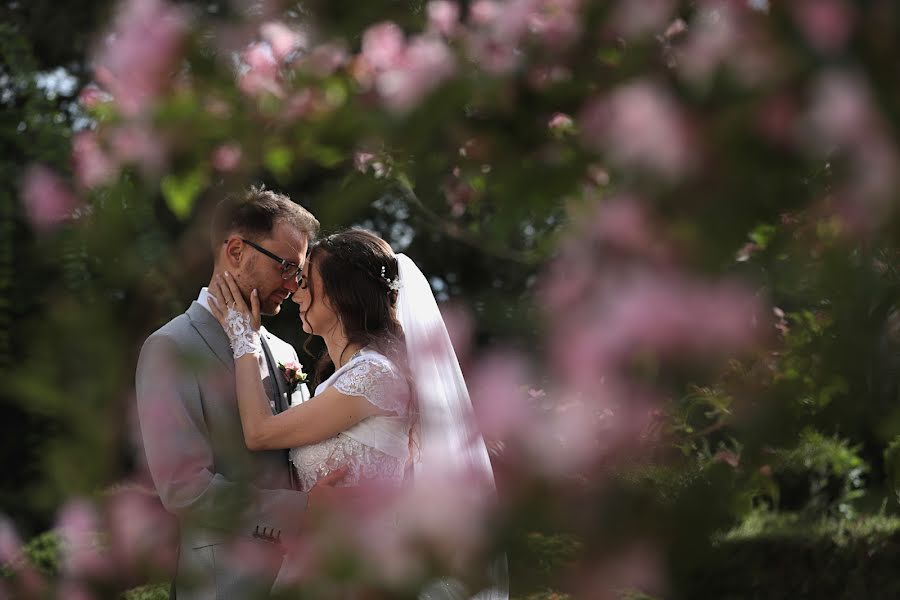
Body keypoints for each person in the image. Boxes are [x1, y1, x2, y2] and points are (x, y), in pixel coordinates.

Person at [208, 228, 508, 598]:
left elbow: (259, 432)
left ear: (337, 294)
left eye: (305, 280)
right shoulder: (349, 378)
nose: (296, 292)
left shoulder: (374, 375)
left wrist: (244, 337)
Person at [135, 187, 346, 600]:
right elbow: (185, 488)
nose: (293, 284)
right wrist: (301, 513)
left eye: (299, 273)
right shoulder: (171, 347)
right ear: (235, 250)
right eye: (286, 266)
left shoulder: (284, 350)